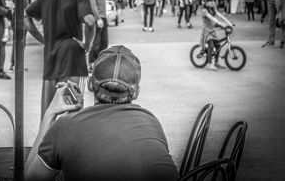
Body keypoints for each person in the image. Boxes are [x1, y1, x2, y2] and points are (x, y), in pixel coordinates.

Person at [25, 45, 179, 181]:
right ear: (136, 92)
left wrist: (51, 113)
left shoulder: (64, 128)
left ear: (91, 85)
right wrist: (78, 114)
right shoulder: (152, 122)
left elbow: (30, 178)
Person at [25, 0, 96, 119]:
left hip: (51, 62)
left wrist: (43, 39)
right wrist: (88, 45)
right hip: (72, 61)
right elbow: (90, 21)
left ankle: (46, 144)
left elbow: (25, 19)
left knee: (49, 115)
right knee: (72, 115)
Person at [86, 0, 109, 70]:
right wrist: (97, 17)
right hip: (98, 16)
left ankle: (100, 63)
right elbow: (91, 0)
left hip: (103, 15)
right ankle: (91, 64)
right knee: (96, 43)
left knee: (104, 43)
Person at [199, 0, 233, 71]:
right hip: (207, 31)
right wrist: (220, 24)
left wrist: (229, 23)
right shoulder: (204, 11)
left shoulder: (213, 9)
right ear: (205, 3)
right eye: (208, 2)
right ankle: (209, 64)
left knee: (218, 46)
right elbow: (212, 18)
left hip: (213, 31)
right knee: (211, 46)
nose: (211, 3)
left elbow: (220, 16)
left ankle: (216, 63)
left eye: (212, 1)